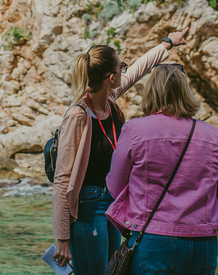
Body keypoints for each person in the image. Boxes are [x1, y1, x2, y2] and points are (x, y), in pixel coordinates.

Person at [52, 27, 190, 274]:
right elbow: (63, 179)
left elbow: (140, 68)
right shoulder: (78, 115)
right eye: (120, 68)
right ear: (110, 77)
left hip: (112, 202)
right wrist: (62, 238)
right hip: (88, 205)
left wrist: (168, 44)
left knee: (112, 270)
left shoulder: (111, 100)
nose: (124, 70)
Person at [105, 63, 218, 275]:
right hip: (203, 243)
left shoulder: (135, 129)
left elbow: (115, 187)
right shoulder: (212, 134)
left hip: (153, 239)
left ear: (151, 92)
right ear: (186, 93)